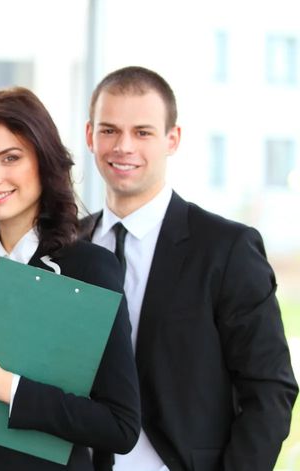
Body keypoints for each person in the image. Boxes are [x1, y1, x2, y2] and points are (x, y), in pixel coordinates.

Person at [81, 65, 297, 471]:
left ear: (172, 139)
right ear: (91, 136)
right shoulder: (67, 245)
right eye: (109, 130)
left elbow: (269, 388)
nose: (123, 146)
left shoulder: (226, 249)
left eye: (142, 132)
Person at [0, 87, 140, 471]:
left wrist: (6, 388)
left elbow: (119, 425)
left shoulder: (88, 270)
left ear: (43, 161)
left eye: (10, 158)